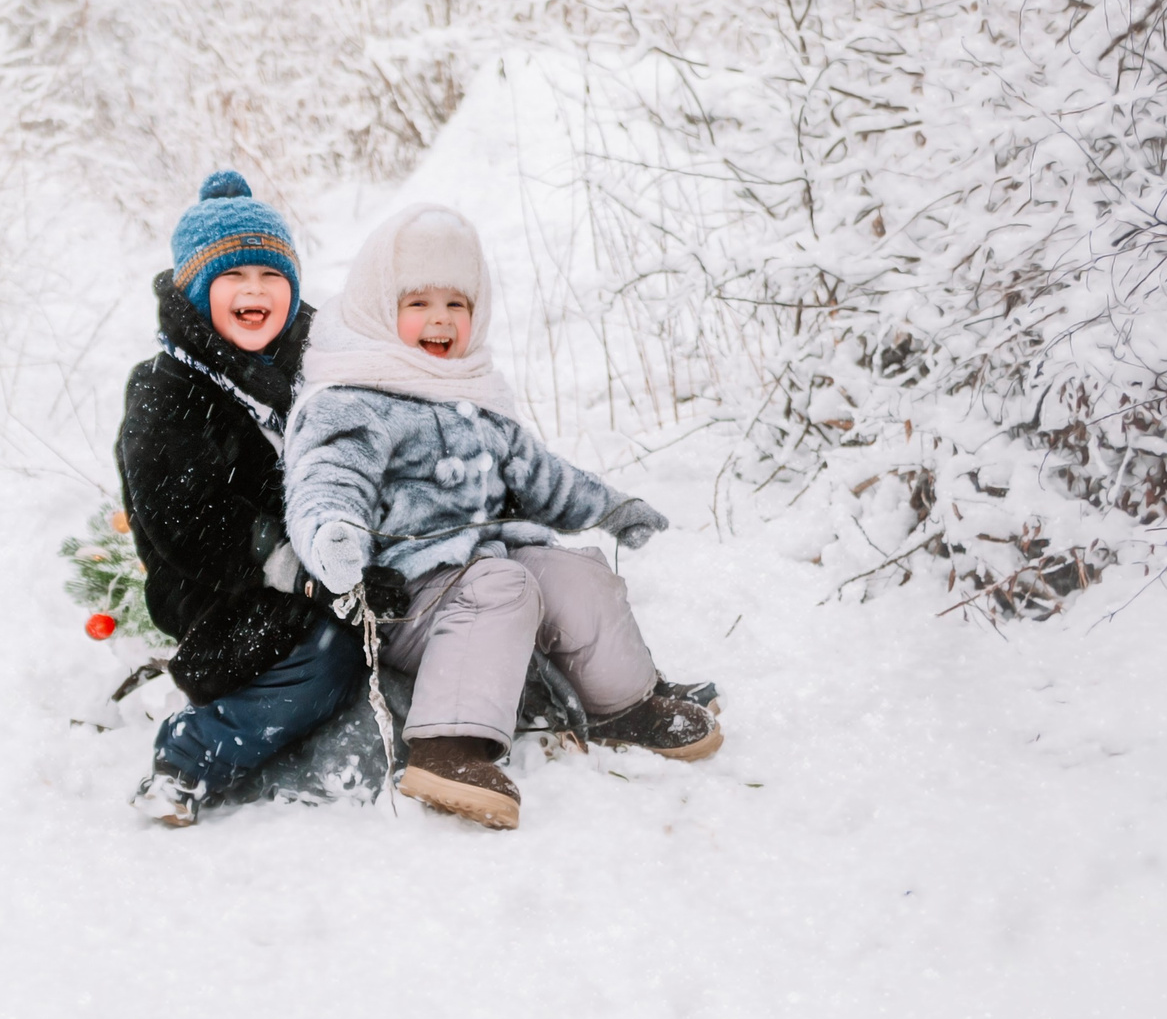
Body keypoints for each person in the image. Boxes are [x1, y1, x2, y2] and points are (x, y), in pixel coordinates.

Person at [282, 202, 720, 830]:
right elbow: (326, 481)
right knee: (504, 584)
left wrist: (612, 508)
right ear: (380, 307)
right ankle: (446, 746)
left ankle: (624, 704)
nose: (440, 319)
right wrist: (335, 537)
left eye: (456, 304)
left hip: (483, 577)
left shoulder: (474, 395)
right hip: (401, 598)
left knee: (574, 574)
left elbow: (543, 476)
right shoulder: (351, 399)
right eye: (418, 303)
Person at [116, 171, 361, 827]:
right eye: (234, 277)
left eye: (270, 276)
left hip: (328, 559)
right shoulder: (166, 390)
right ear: (198, 289)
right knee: (330, 650)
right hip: (225, 589)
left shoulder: (319, 365)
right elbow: (187, 514)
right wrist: (299, 574)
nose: (255, 291)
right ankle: (190, 755)